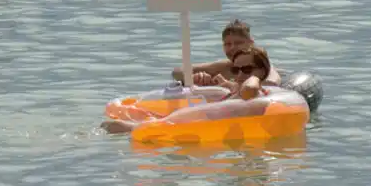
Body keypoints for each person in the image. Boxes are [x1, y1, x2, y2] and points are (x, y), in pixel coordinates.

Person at [104, 47, 273, 134]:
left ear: (261, 71)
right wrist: (221, 83)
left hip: (200, 127)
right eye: (236, 70)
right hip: (196, 121)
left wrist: (256, 77)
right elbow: (236, 88)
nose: (241, 75)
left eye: (247, 69)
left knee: (116, 127)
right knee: (113, 124)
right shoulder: (236, 89)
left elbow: (249, 90)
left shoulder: (255, 91)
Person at [172, 19, 282, 86]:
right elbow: (177, 71)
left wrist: (230, 85)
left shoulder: (261, 65)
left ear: (251, 43)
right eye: (227, 44)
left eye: (238, 43)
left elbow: (272, 83)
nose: (232, 48)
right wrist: (195, 77)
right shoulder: (224, 67)